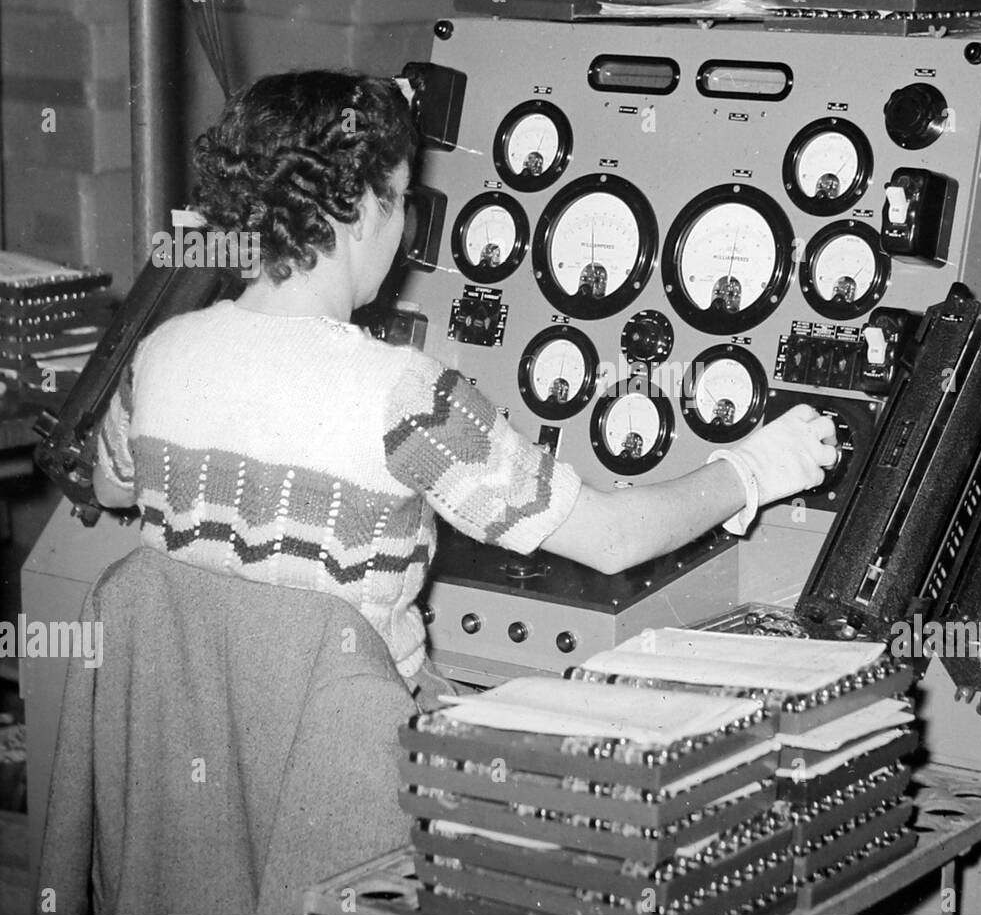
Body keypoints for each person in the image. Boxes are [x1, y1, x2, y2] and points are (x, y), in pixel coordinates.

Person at [92, 71, 838, 708]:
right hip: (354, 753)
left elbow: (114, 488)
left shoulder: (161, 354)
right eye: (403, 196)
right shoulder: (402, 394)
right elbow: (613, 540)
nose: (410, 225)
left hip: (193, 742)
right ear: (357, 211)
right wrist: (754, 467)